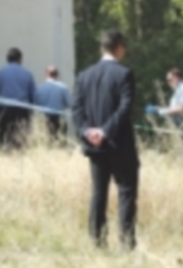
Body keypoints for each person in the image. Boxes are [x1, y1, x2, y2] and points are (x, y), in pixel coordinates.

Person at [72, 29, 139, 251]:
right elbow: (125, 107)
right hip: (120, 145)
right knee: (126, 192)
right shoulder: (124, 74)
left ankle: (97, 242)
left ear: (103, 47)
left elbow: (76, 109)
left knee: (98, 194)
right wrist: (106, 131)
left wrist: (87, 131)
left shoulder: (84, 75)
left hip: (95, 147)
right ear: (119, 47)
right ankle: (126, 243)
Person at [0, 47, 37, 149]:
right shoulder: (27, 74)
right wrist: (30, 110)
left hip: (4, 111)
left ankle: (4, 159)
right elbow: (33, 96)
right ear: (20, 59)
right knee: (22, 140)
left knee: (3, 140)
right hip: (22, 111)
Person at [36, 65, 70, 143]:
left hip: (45, 119)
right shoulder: (63, 87)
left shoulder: (40, 88)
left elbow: (36, 104)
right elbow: (69, 103)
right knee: (61, 141)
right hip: (59, 118)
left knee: (46, 141)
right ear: (57, 75)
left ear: (46, 75)